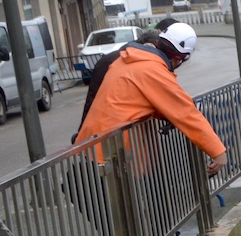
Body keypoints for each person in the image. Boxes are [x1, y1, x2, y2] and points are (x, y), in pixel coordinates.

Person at [74, 21, 227, 176]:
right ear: (179, 58)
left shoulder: (129, 60)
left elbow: (139, 101)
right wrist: (218, 152)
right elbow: (186, 113)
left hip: (94, 147)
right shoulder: (152, 69)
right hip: (110, 154)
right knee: (116, 198)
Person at [74, 17, 176, 139]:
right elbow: (94, 99)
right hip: (110, 136)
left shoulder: (131, 59)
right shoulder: (133, 63)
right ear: (150, 45)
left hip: (116, 135)